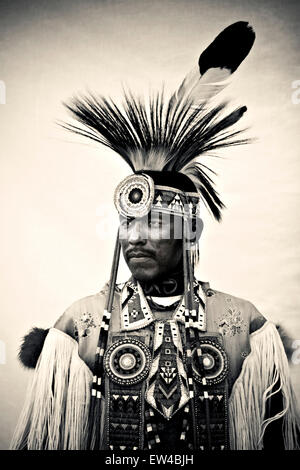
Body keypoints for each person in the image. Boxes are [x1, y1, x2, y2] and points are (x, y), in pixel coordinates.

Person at [11, 21, 300, 451]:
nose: (136, 238)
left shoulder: (243, 327)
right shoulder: (81, 326)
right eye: (128, 224)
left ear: (191, 232)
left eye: (155, 223)